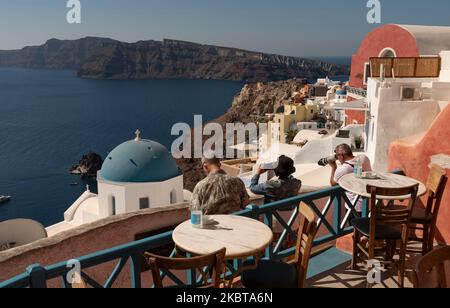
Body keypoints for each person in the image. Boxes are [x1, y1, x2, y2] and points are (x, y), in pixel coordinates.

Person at [329, 144, 372, 212]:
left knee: (354, 222)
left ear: (341, 156)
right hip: (369, 203)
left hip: (354, 206)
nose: (337, 159)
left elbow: (333, 183)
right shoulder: (364, 158)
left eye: (337, 156)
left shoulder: (343, 169)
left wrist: (334, 167)